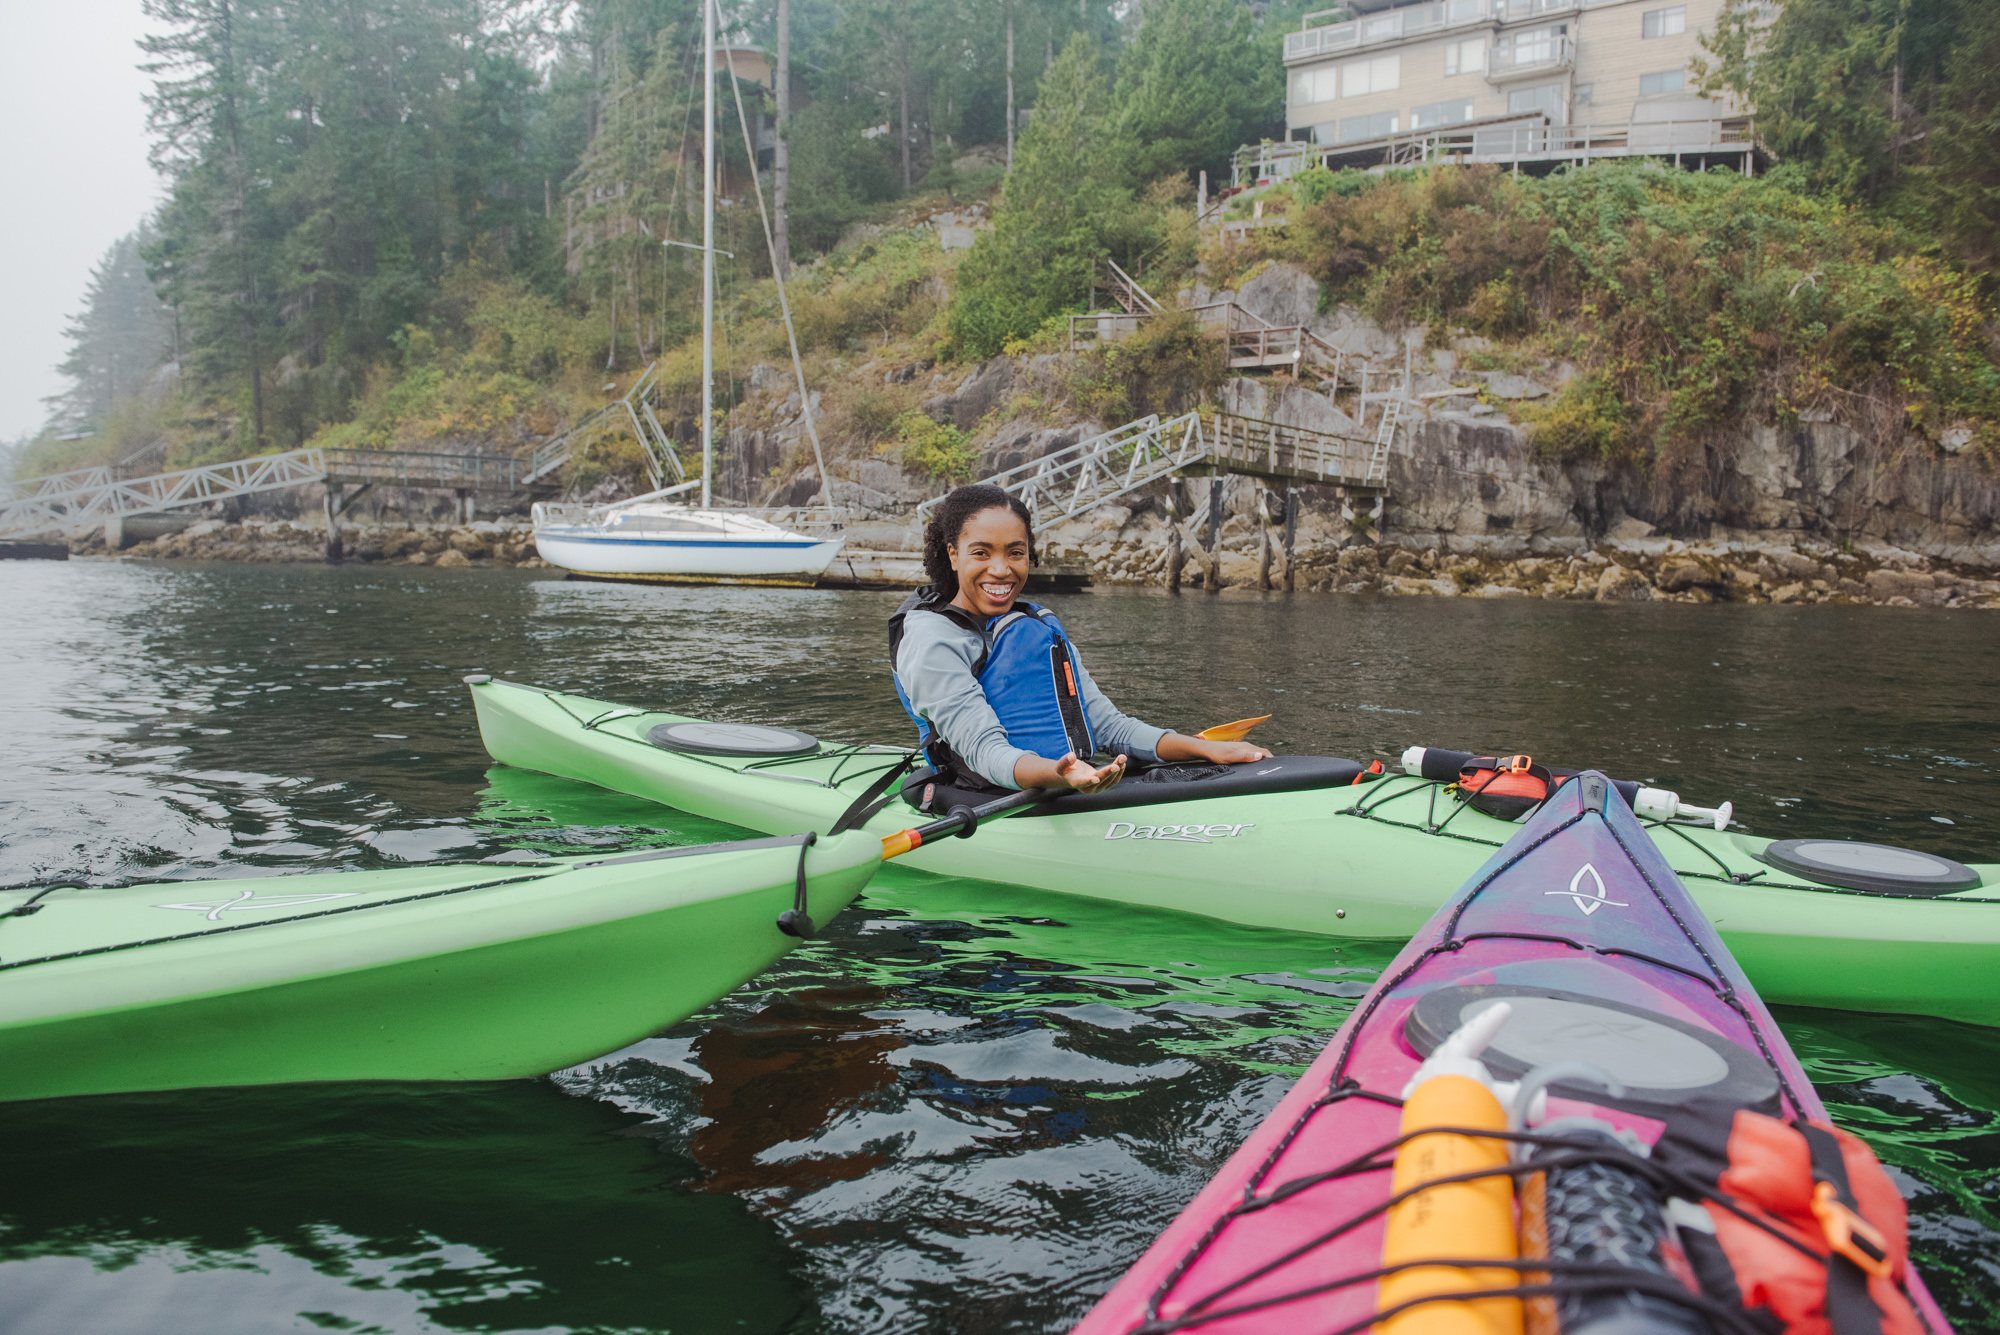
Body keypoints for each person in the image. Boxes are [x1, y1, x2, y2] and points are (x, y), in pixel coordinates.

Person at [890, 484, 1272, 795]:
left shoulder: (1038, 624)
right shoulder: (931, 640)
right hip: (983, 792)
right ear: (953, 554)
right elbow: (985, 751)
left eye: (1015, 552)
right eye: (981, 552)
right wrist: (1061, 774)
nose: (1001, 569)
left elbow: (1109, 726)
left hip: (1068, 780)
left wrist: (1202, 747)